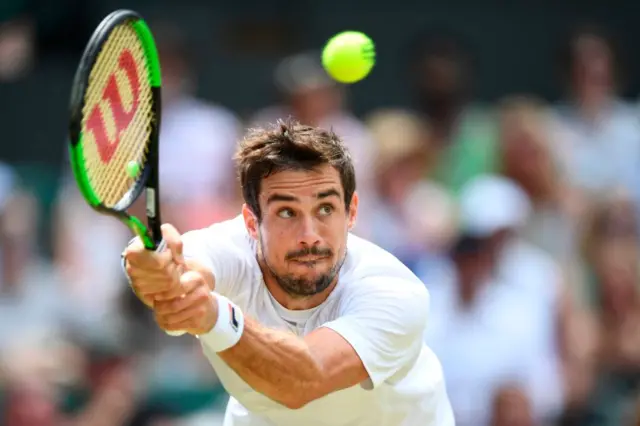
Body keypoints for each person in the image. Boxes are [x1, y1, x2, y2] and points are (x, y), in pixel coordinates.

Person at [122, 119, 454, 426]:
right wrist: (155, 273)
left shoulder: (393, 291)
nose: (309, 234)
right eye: (286, 212)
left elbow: (303, 380)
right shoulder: (229, 250)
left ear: (351, 213)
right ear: (252, 222)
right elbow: (179, 267)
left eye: (326, 209)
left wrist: (214, 316)